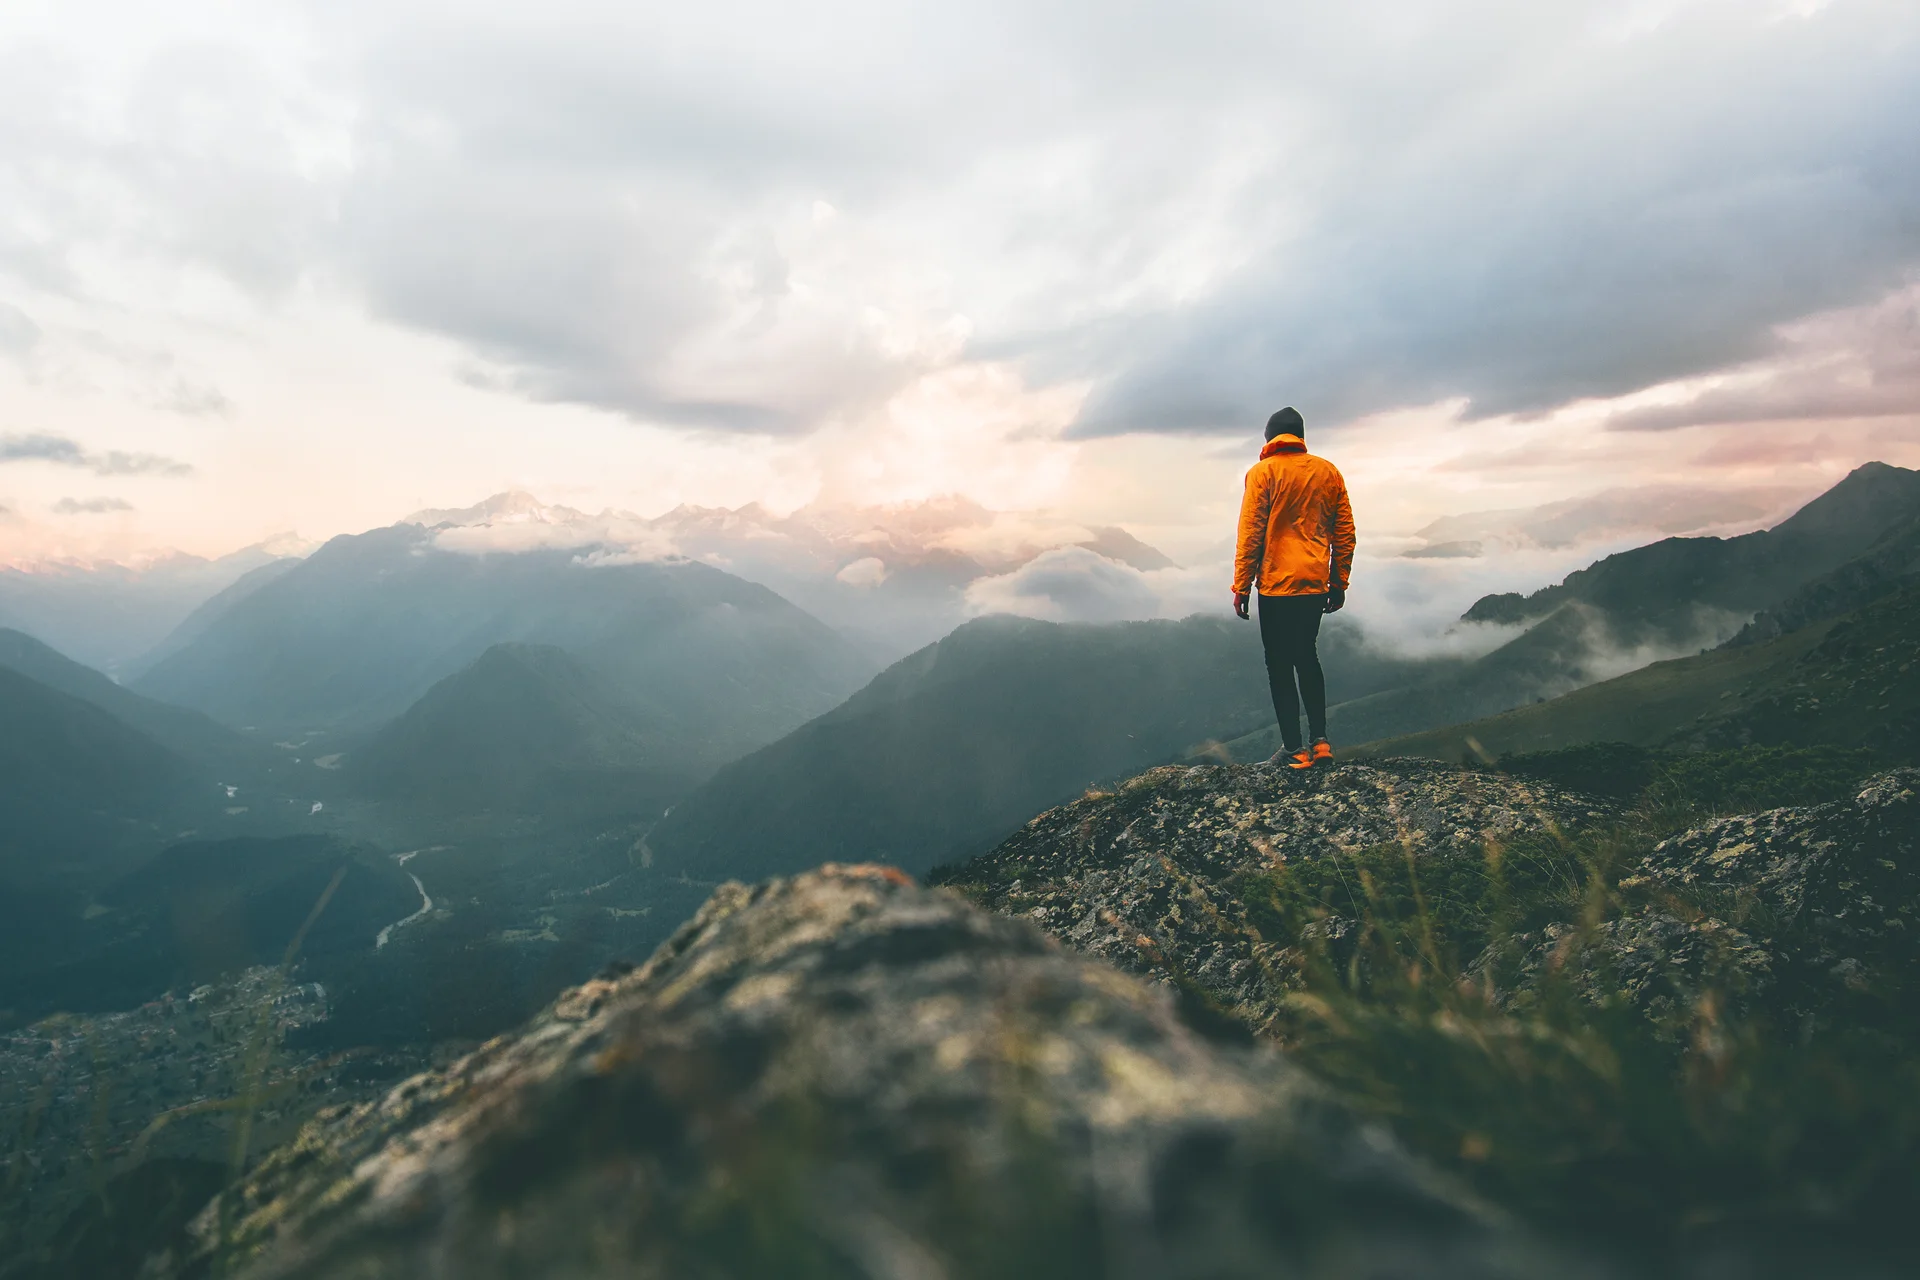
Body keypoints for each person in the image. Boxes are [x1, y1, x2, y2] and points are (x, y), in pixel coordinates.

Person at [1231, 406, 1355, 770]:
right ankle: (1321, 744)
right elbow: (1345, 533)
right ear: (1300, 436)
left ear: (1270, 438)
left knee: (1279, 665)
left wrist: (1241, 585)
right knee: (1307, 655)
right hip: (1314, 582)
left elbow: (1251, 532)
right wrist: (1338, 581)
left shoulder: (1262, 473)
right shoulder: (1327, 471)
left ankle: (1293, 749)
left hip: (1275, 586)